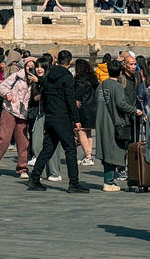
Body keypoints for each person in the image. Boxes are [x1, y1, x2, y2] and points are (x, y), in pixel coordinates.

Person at [27, 50, 90, 193]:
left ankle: (35, 178)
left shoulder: (50, 73)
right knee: (70, 150)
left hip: (50, 116)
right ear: (70, 62)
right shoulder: (67, 76)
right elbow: (69, 99)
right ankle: (74, 183)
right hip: (62, 117)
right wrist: (77, 119)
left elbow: (47, 88)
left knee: (48, 149)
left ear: (57, 60)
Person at [0, 57, 35, 178]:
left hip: (24, 114)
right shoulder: (17, 76)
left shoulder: (37, 80)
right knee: (4, 139)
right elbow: (2, 87)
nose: (30, 68)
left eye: (33, 66)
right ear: (24, 66)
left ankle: (22, 168)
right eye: (28, 65)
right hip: (10, 110)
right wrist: (8, 94)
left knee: (23, 142)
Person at [96, 59, 143, 192]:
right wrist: (135, 110)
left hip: (101, 121)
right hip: (113, 122)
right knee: (112, 151)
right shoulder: (116, 86)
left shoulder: (101, 85)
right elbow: (121, 104)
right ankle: (108, 182)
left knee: (106, 151)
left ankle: (108, 180)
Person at [74, 58, 98, 165]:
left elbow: (78, 97)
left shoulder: (80, 81)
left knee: (81, 130)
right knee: (89, 132)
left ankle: (88, 156)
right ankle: (88, 155)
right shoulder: (93, 80)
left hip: (83, 109)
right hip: (92, 108)